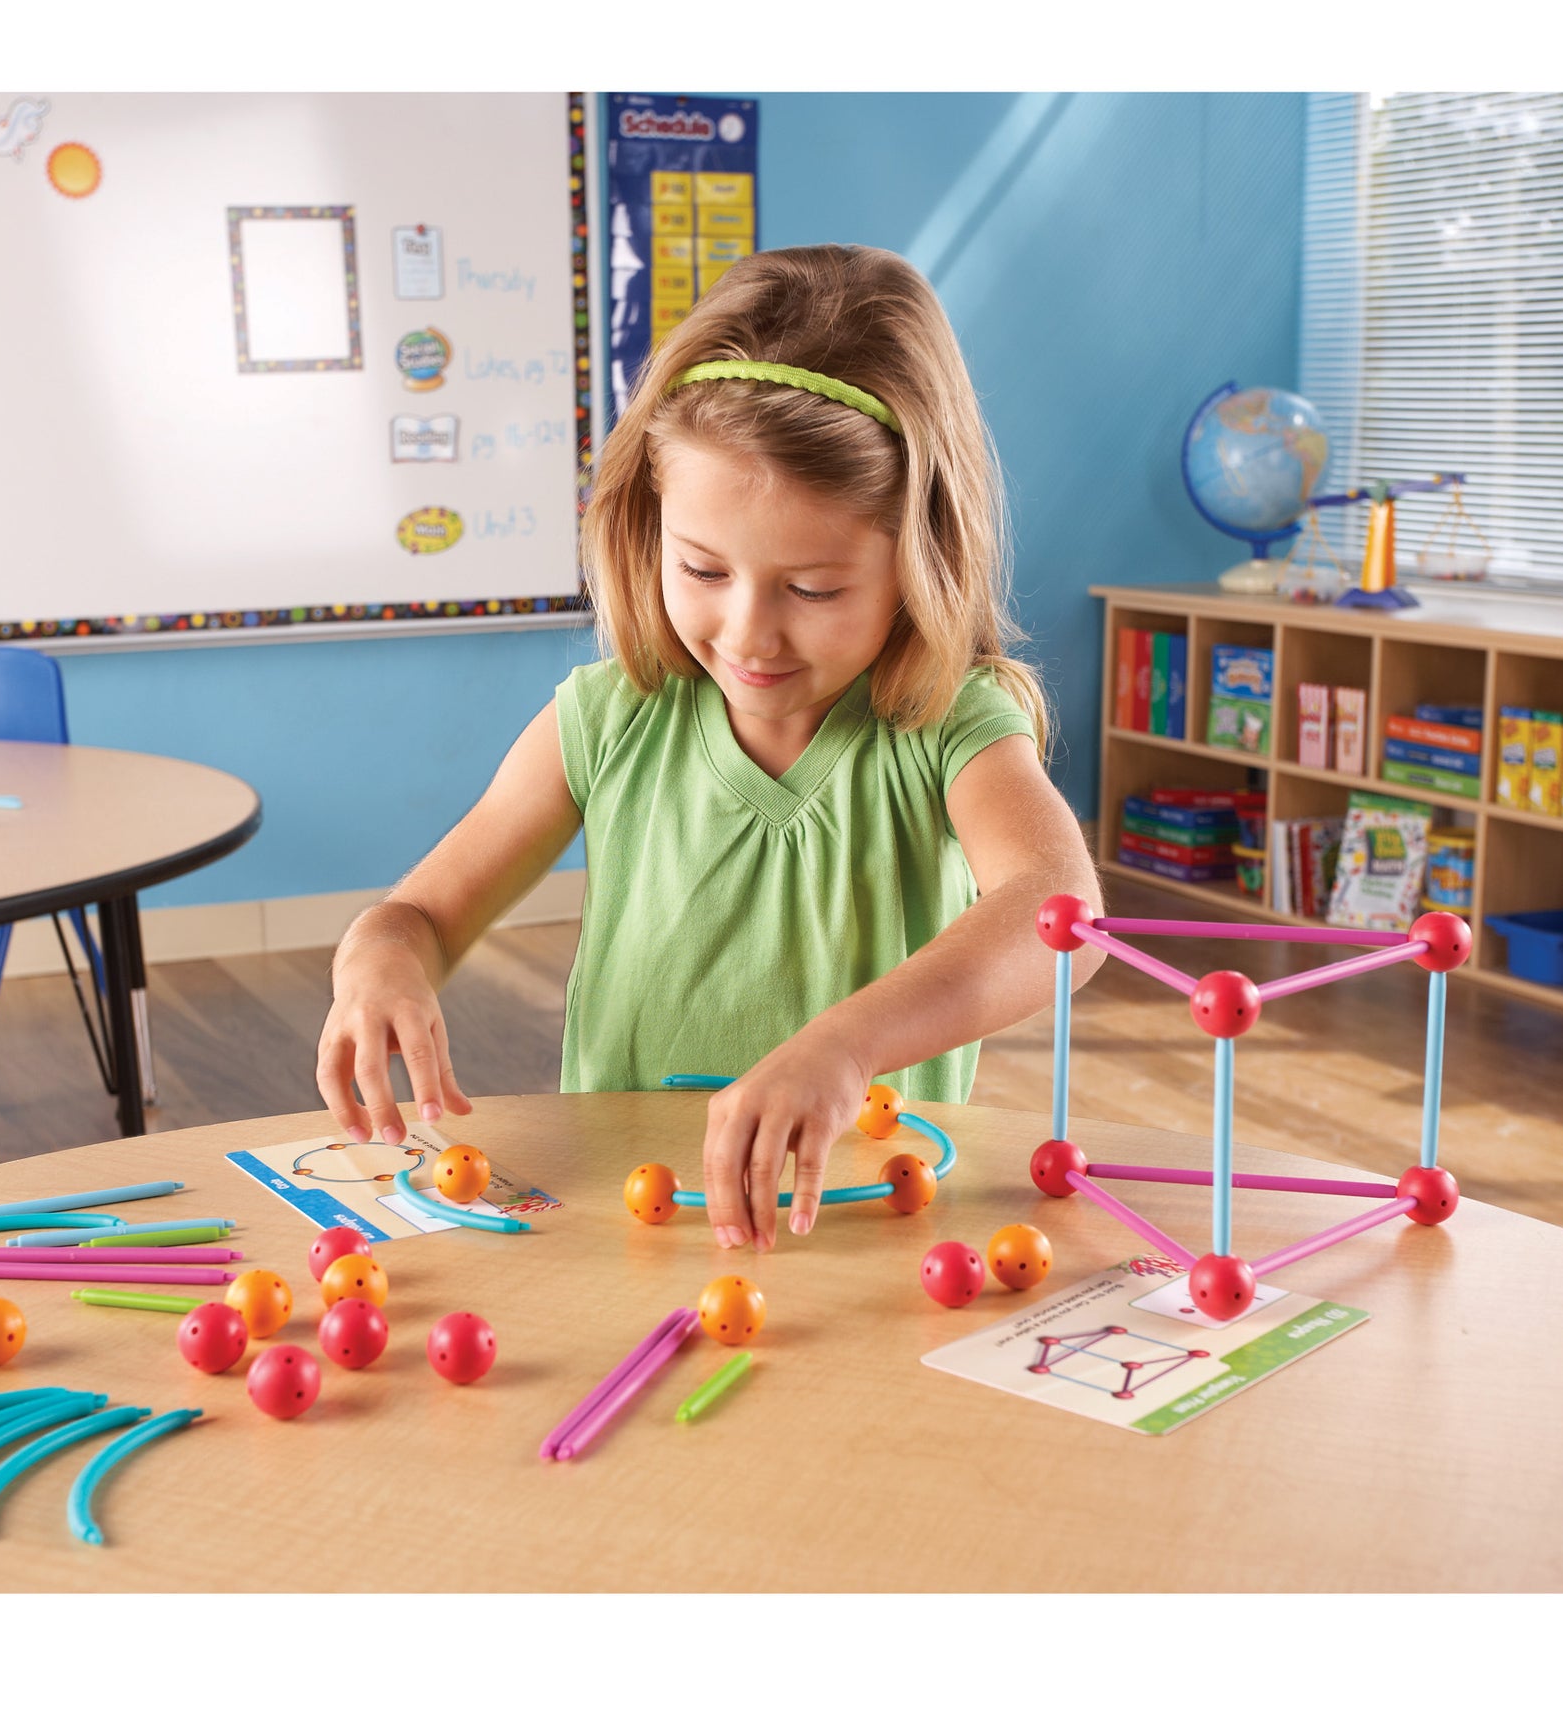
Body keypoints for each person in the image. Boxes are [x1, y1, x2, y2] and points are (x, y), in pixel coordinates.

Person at [320, 244, 1103, 1250]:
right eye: (701, 569)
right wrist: (379, 957)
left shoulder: (949, 724)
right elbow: (422, 915)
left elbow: (1061, 916)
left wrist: (846, 1045)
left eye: (812, 588)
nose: (748, 634)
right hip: (627, 1225)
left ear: (920, 560)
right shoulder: (609, 717)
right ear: (649, 529)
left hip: (860, 1227)